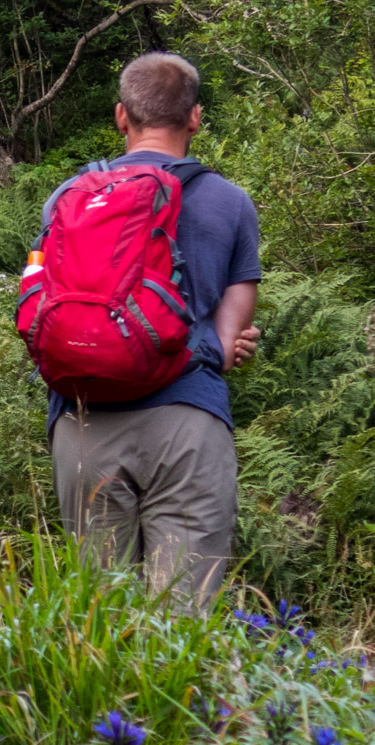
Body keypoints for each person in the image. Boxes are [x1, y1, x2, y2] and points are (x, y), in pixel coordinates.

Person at [45, 52, 261, 608]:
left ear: (122, 116)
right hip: (188, 421)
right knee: (182, 619)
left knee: (98, 620)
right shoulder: (230, 203)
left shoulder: (67, 200)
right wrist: (224, 340)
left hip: (83, 421)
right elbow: (230, 341)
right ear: (194, 118)